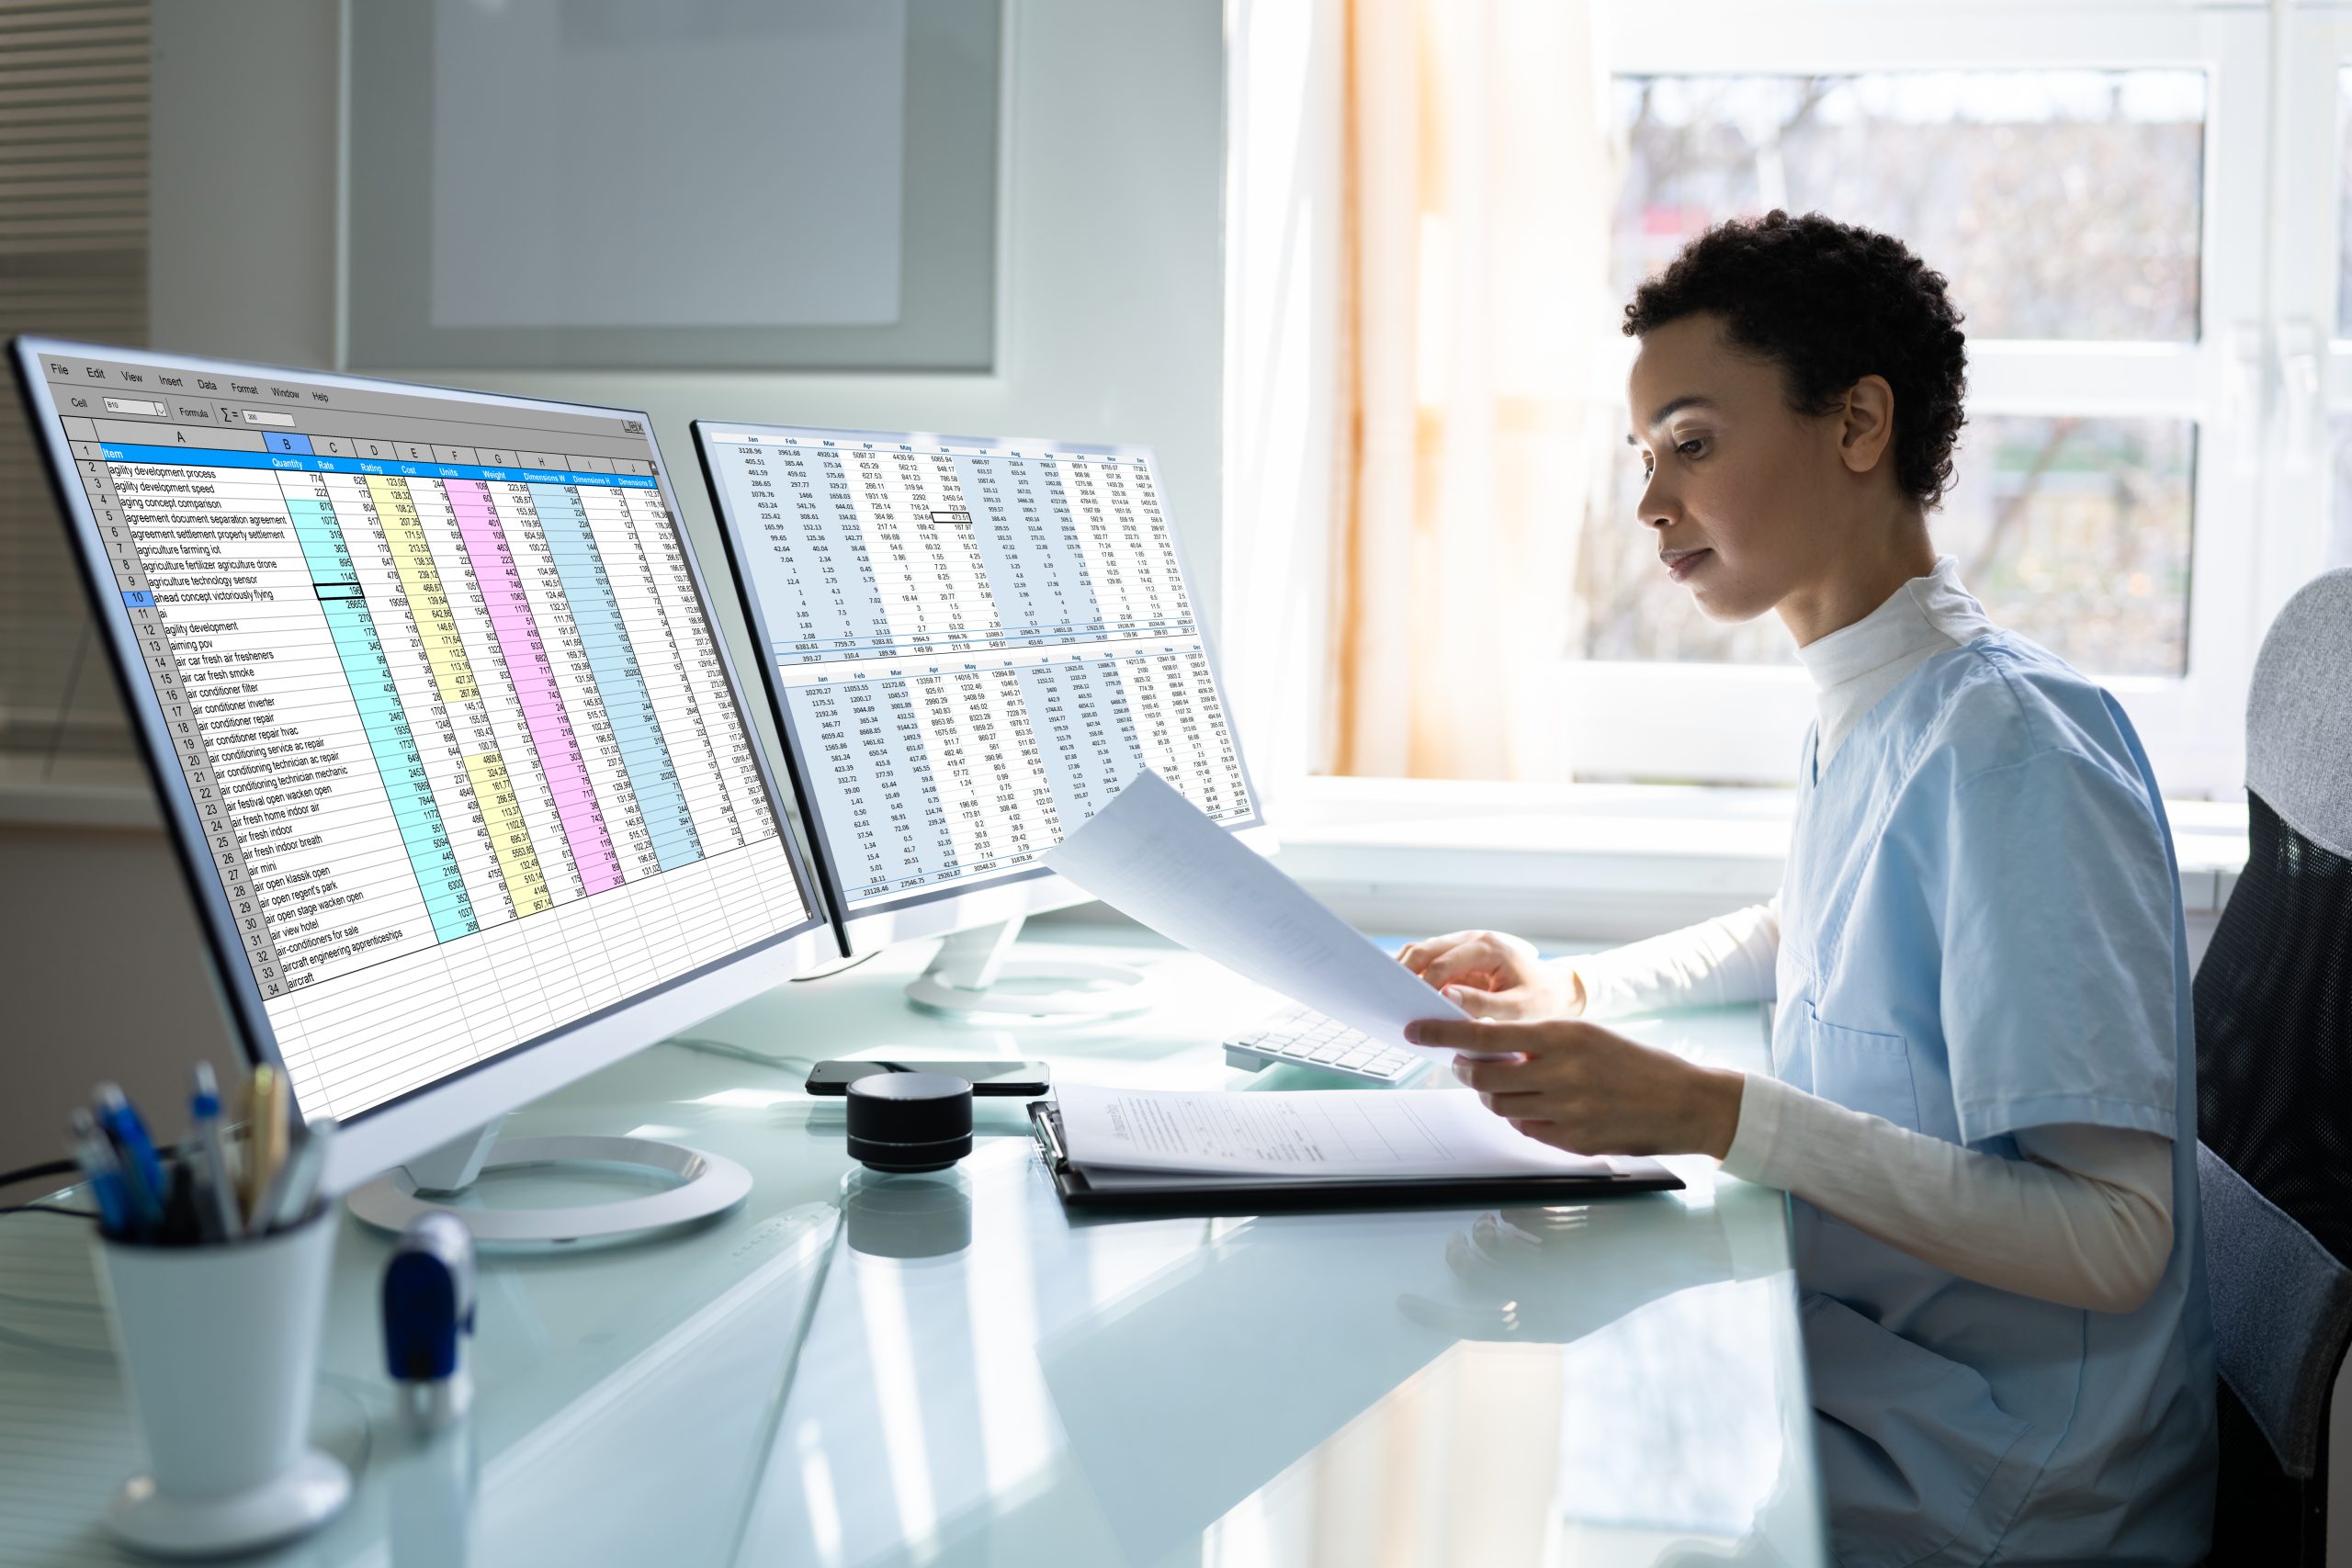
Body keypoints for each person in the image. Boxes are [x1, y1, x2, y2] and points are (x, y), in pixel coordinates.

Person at [1399, 209, 2214, 1566]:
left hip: (2009, 1489)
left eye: (1695, 444)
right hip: (1893, 1391)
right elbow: (1815, 935)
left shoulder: (2011, 748)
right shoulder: (1874, 698)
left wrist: (1715, 1112)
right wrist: (1582, 986)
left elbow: (2118, 1238)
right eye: (1646, 455)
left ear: (1856, 426)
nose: (1653, 504)